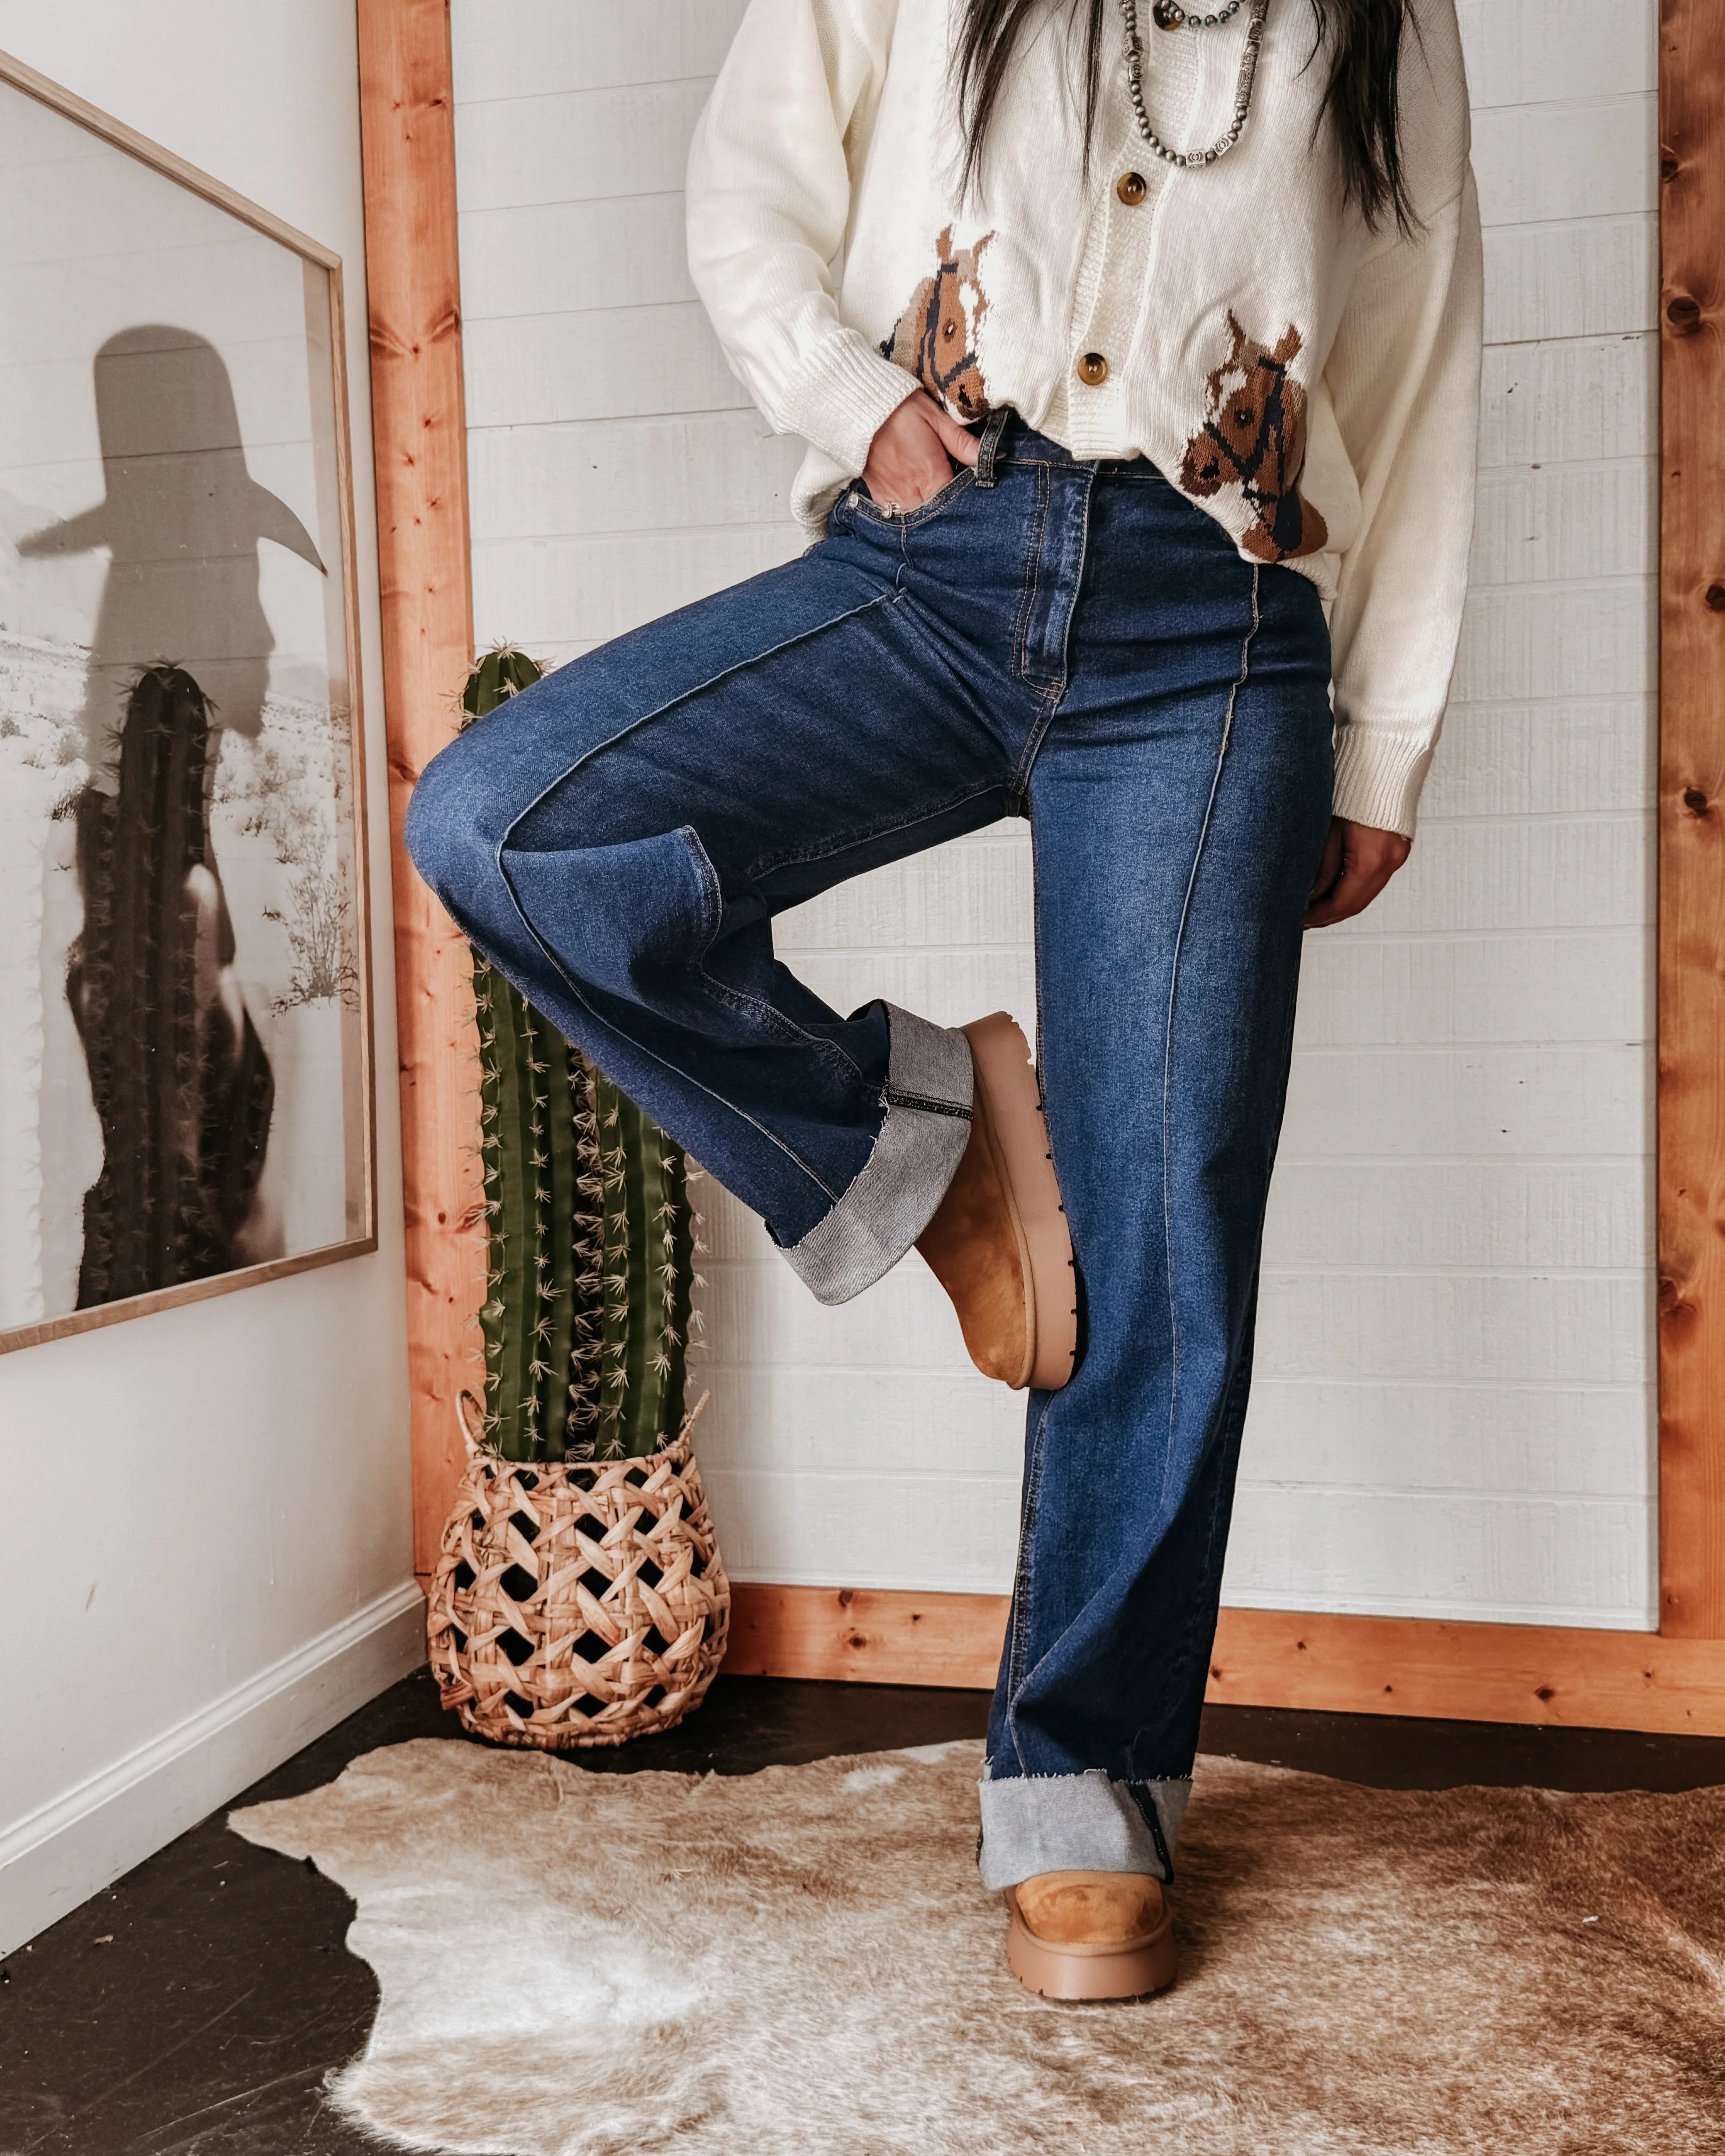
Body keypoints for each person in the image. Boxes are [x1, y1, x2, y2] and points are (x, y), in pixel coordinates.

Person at [406, 0, 1481, 2000]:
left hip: (1219, 631)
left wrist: (1385, 747)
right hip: (929, 554)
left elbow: (1419, 364)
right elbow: (750, 184)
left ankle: (1085, 1787)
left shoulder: (1377, 24)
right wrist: (849, 397)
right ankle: (928, 1152)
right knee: (510, 827)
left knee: (1165, 1217)